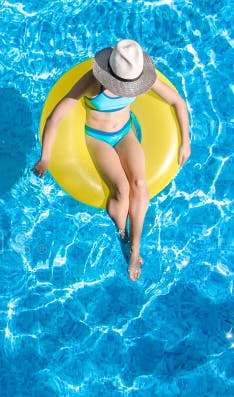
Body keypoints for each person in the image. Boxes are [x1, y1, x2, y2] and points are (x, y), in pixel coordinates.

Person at [32, 39, 191, 281]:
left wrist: (185, 142)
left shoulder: (140, 77)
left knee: (140, 184)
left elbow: (177, 101)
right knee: (123, 188)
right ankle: (122, 233)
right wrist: (45, 158)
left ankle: (135, 248)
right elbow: (56, 116)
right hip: (99, 139)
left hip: (126, 132)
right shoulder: (92, 82)